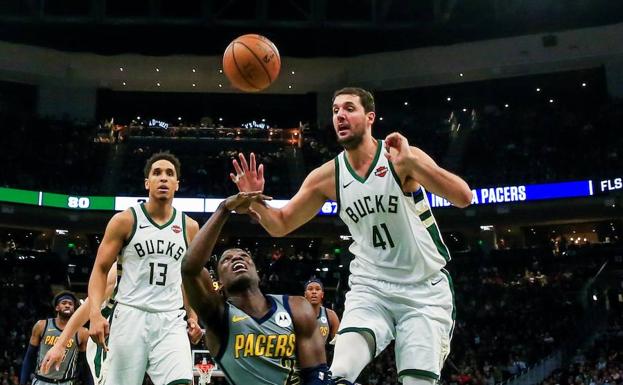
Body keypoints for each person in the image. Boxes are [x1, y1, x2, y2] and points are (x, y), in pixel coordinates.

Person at [230, 87, 473, 385]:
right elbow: (280, 224)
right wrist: (254, 199)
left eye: (349, 108)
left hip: (424, 290)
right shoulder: (327, 176)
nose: (340, 116)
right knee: (338, 374)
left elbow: (463, 197)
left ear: (370, 117)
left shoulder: (400, 157)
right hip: (371, 288)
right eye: (335, 111)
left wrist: (413, 163)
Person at [181, 192, 331, 385]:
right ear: (219, 282)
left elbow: (316, 372)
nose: (236, 258)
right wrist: (224, 209)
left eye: (244, 256)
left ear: (257, 272)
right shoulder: (218, 317)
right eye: (226, 260)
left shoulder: (297, 307)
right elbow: (189, 269)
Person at [87, 151, 202, 385]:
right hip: (130, 315)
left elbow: (188, 278)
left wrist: (193, 316)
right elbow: (100, 270)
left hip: (170, 319)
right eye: (157, 173)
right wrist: (95, 314)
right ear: (147, 183)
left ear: (177, 185)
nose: (163, 178)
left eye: (170, 174)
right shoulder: (125, 220)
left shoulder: (190, 227)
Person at [20, 291, 93, 385]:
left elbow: (84, 363)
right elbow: (30, 356)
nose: (67, 305)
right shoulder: (42, 325)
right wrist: (23, 382)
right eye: (64, 303)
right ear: (57, 307)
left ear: (74, 309)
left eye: (70, 304)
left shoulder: (82, 332)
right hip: (42, 380)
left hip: (66, 382)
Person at [303, 278, 340, 344]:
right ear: (305, 294)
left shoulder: (331, 315)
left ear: (322, 294)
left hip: (321, 353)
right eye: (310, 289)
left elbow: (338, 343)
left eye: (317, 289)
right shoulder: (296, 313)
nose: (314, 292)